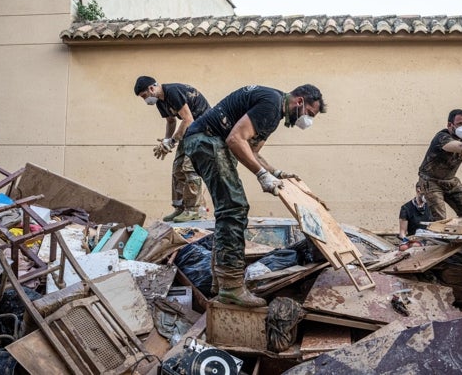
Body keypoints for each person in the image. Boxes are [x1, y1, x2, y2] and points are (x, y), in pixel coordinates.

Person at [182, 84, 326, 307]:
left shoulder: (274, 111)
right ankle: (231, 287)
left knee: (229, 210)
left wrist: (275, 172)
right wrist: (261, 176)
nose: (307, 121)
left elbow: (252, 151)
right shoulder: (271, 104)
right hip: (207, 140)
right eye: (309, 114)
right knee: (233, 208)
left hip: (208, 141)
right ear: (299, 102)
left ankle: (220, 284)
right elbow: (235, 140)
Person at [134, 76, 211, 222]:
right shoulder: (160, 102)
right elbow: (171, 121)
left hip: (204, 129)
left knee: (189, 168)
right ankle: (180, 208)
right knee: (177, 168)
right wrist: (166, 140)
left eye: (144, 96)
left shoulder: (173, 91)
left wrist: (173, 141)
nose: (145, 100)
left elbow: (188, 119)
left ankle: (193, 210)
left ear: (151, 88)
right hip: (189, 131)